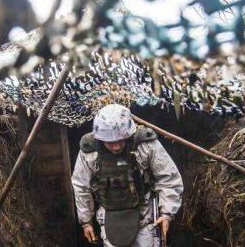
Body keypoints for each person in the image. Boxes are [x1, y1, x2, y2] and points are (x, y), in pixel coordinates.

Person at [72, 104, 184, 246]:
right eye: (111, 142)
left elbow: (168, 177)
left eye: (121, 140)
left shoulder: (144, 144)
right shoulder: (90, 151)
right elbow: (81, 186)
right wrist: (86, 222)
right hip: (109, 215)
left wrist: (167, 213)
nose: (117, 146)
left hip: (144, 213)